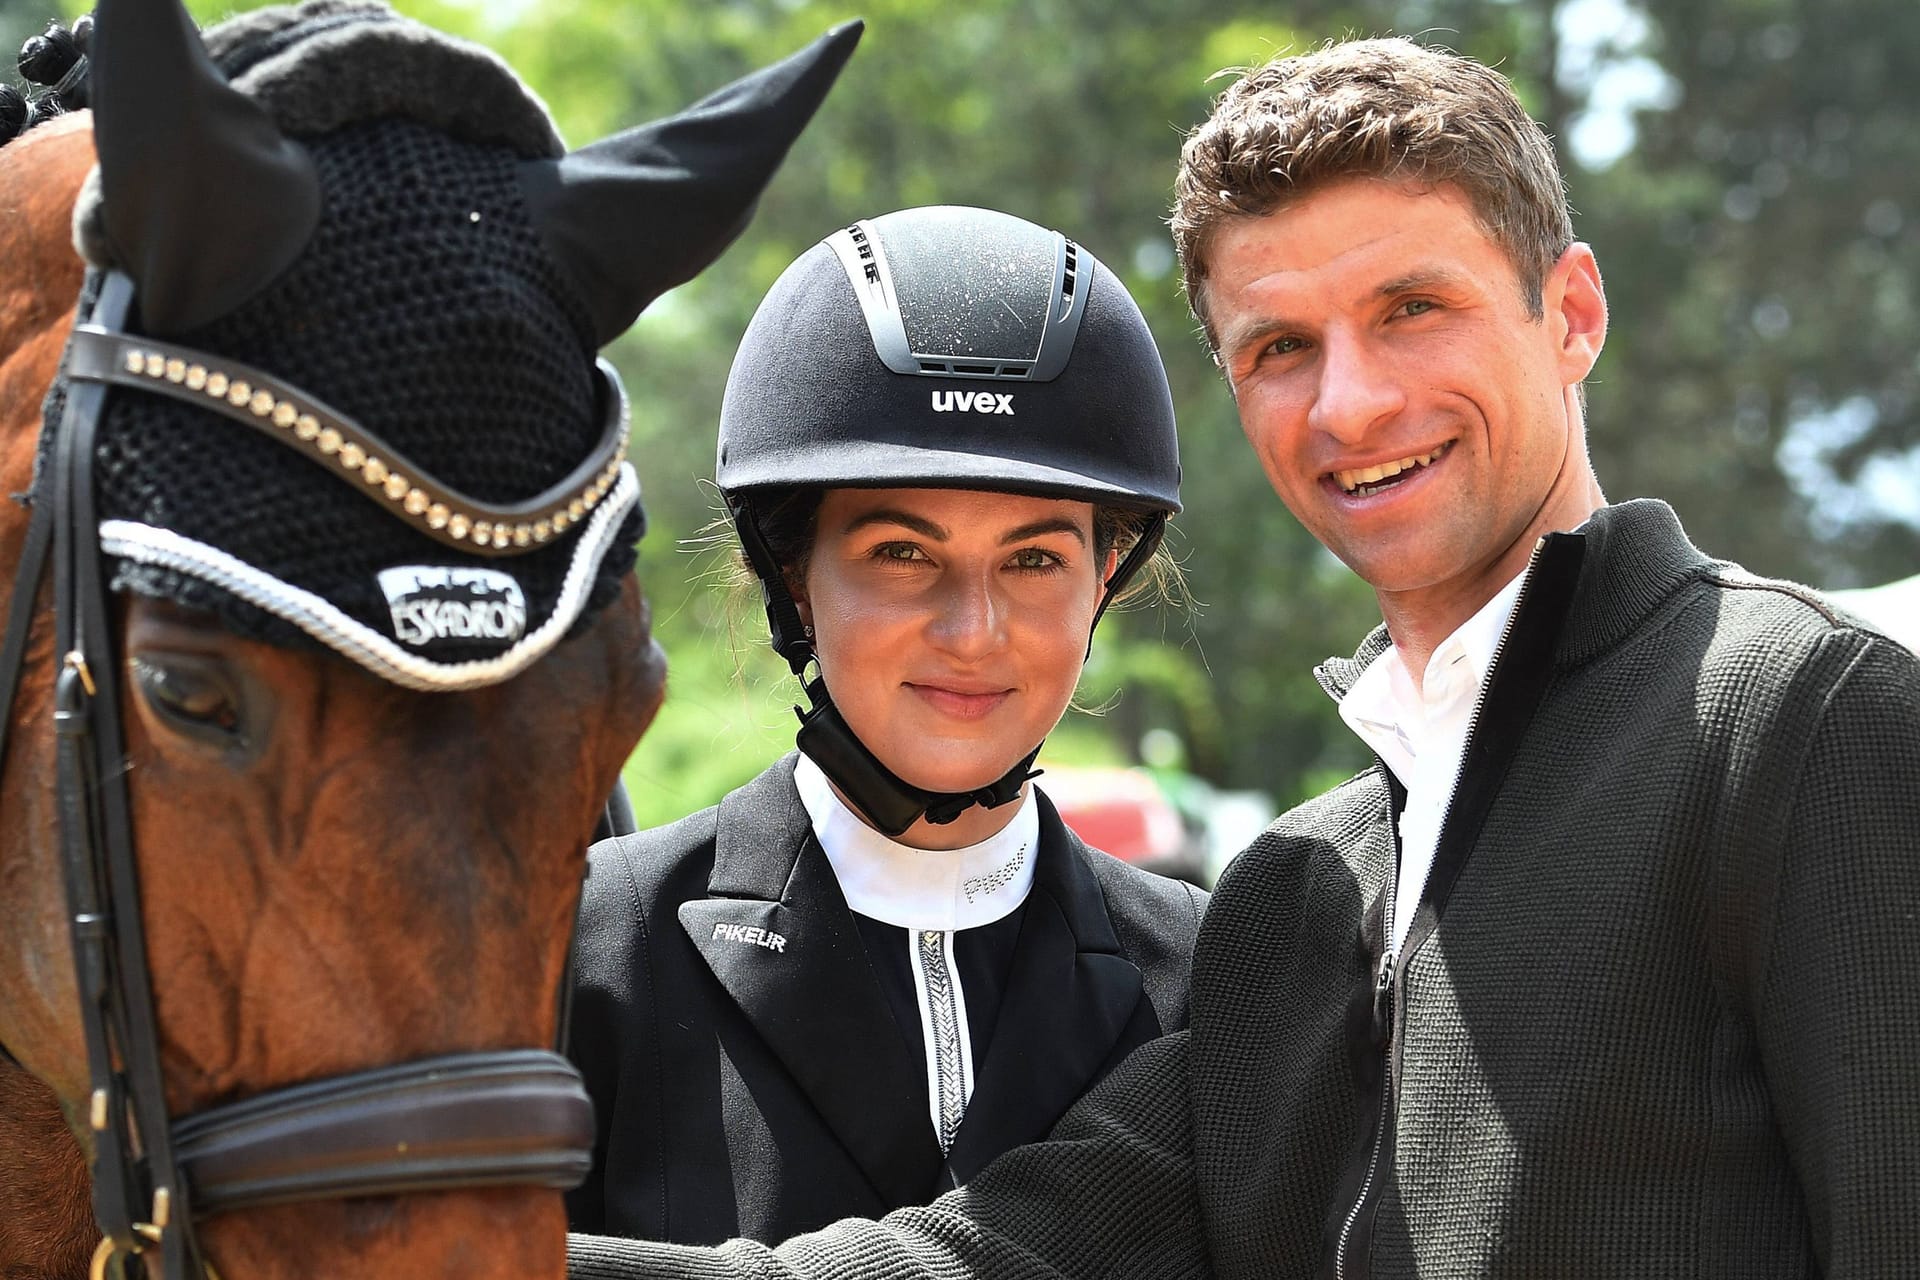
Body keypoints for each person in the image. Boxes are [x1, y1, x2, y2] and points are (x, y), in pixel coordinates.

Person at [566, 38, 1920, 1280]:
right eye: (1281, 347)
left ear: (1570, 313)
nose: (1351, 402)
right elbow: (990, 1259)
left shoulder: (1804, 717)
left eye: (1412, 308)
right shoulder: (1296, 898)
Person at [565, 204, 1208, 1247]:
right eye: (902, 554)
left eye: (1036, 559)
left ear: (1104, 582)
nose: (973, 630)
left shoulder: (1209, 973)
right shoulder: (595, 948)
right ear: (795, 578)